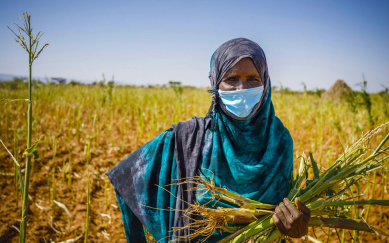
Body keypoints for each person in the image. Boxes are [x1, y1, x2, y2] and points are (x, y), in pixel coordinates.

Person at [107, 38, 310, 243]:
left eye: (252, 79)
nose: (241, 88)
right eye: (231, 79)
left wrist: (294, 226)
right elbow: (127, 177)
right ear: (215, 85)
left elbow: (283, 210)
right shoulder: (189, 139)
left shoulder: (280, 141)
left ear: (265, 83)